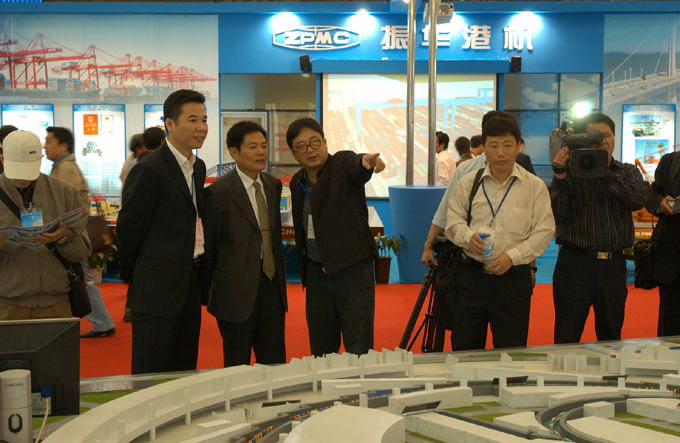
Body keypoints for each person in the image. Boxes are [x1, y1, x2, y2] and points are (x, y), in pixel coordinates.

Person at [117, 89, 208, 374]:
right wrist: (138, 278)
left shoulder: (198, 167)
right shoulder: (150, 169)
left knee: (184, 369)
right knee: (151, 371)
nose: (201, 127)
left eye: (204, 120)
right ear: (169, 123)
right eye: (192, 120)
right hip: (155, 289)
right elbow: (129, 229)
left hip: (190, 281)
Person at [445, 115, 554, 350]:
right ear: (484, 148)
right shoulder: (468, 183)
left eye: (507, 145)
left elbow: (544, 231)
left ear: (519, 146)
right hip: (471, 277)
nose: (500, 153)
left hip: (513, 281)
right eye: (493, 146)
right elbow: (453, 221)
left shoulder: (534, 187)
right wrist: (468, 236)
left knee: (510, 352)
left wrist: (512, 257)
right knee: (465, 351)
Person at [550, 112, 652, 344]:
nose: (601, 141)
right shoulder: (570, 171)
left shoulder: (627, 171)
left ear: (614, 137)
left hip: (613, 267)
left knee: (611, 339)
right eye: (594, 136)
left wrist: (604, 173)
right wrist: (560, 176)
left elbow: (638, 200)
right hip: (574, 265)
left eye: (606, 135)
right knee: (566, 338)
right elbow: (558, 215)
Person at [287, 117, 385, 357]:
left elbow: (355, 164)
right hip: (316, 275)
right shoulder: (296, 182)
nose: (310, 150)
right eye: (302, 146)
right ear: (294, 153)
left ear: (325, 142)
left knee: (358, 350)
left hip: (352, 272)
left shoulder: (340, 165)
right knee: (321, 352)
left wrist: (364, 162)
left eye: (315, 142)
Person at [203, 121, 287, 367]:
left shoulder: (273, 185)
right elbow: (211, 247)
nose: (261, 152)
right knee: (237, 366)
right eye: (252, 147)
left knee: (274, 363)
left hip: (271, 285)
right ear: (234, 152)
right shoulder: (217, 192)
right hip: (235, 292)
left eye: (263, 146)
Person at [421, 111, 536, 270]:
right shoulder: (465, 170)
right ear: (484, 139)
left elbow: (530, 226)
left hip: (513, 266)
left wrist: (531, 267)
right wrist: (428, 246)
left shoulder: (522, 172)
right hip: (471, 263)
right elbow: (445, 211)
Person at [0, 130, 91, 320]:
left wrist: (65, 236)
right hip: (7, 303)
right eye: (16, 171)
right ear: (2, 160)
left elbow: (81, 253)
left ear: (41, 160)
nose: (22, 179)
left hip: (56, 302)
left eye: (28, 170)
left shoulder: (64, 193)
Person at [45, 126, 116, 338]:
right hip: (70, 236)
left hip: (71, 237)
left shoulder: (66, 169)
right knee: (82, 279)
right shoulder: (62, 167)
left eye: (50, 141)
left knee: (83, 280)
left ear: (63, 145)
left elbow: (69, 208)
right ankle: (102, 322)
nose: (45, 146)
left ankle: (103, 322)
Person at [645, 151, 680, 336]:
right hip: (673, 266)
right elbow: (651, 194)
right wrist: (660, 203)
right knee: (670, 333)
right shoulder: (671, 162)